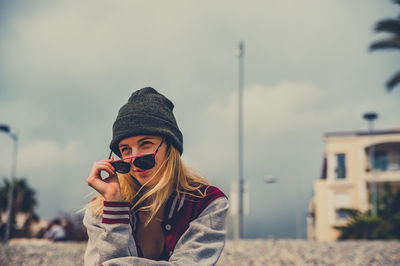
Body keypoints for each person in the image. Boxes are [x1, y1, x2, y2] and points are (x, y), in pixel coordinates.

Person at [83, 87, 229, 266]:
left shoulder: (207, 203)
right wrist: (115, 206)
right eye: (125, 149)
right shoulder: (100, 209)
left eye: (145, 144)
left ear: (170, 147)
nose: (134, 158)